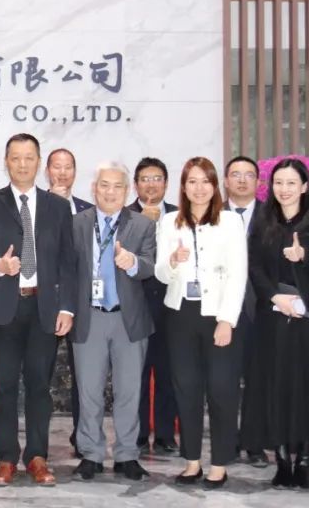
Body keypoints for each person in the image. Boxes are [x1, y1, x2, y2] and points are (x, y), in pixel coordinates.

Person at [0, 133, 76, 487]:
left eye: (28, 157)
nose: (22, 164)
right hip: (5, 308)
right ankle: (6, 459)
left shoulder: (57, 206)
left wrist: (67, 308)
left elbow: (68, 261)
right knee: (4, 386)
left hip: (43, 308)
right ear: (6, 162)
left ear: (38, 162)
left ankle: (37, 456)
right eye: (15, 158)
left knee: (38, 385)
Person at [243, 157, 309, 490]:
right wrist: (275, 297)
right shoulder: (263, 219)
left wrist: (305, 257)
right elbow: (254, 266)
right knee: (276, 388)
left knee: (307, 388)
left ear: (304, 187)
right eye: (278, 182)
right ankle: (283, 459)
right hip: (273, 318)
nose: (283, 189)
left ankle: (304, 460)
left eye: (290, 183)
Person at [154, 157, 247, 489]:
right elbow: (160, 274)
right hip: (181, 315)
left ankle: (219, 463)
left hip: (217, 316)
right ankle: (192, 461)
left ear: (215, 185)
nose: (199, 188)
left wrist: (227, 320)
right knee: (186, 389)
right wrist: (172, 261)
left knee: (221, 389)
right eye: (192, 181)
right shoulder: (169, 222)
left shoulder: (230, 222)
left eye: (205, 181)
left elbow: (238, 274)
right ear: (183, 186)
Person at [70, 161, 155, 483]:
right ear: (94, 189)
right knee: (88, 391)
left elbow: (150, 266)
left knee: (129, 391)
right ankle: (90, 454)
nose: (110, 192)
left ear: (127, 190)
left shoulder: (142, 225)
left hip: (127, 319)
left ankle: (127, 455)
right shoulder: (77, 223)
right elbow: (66, 267)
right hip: (89, 317)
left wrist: (132, 262)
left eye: (118, 186)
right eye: (104, 185)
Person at [129, 157, 179, 455]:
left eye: (157, 178)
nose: (151, 184)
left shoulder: (179, 216)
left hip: (171, 306)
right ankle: (136, 433)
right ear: (135, 185)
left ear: (166, 183)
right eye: (145, 179)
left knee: (167, 371)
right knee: (136, 372)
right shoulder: (124, 216)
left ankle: (164, 434)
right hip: (136, 304)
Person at [46, 147, 94, 456]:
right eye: (56, 167)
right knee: (41, 375)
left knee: (84, 377)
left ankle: (83, 437)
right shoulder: (37, 205)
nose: (62, 173)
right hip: (46, 303)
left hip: (81, 302)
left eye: (68, 167)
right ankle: (38, 443)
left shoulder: (89, 210)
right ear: (46, 171)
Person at [222, 155, 268, 468]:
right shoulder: (212, 214)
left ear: (258, 182)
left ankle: (254, 444)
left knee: (257, 381)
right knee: (222, 381)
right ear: (225, 181)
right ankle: (225, 443)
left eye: (248, 175)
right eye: (235, 175)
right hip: (221, 312)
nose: (241, 180)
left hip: (260, 311)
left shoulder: (272, 216)